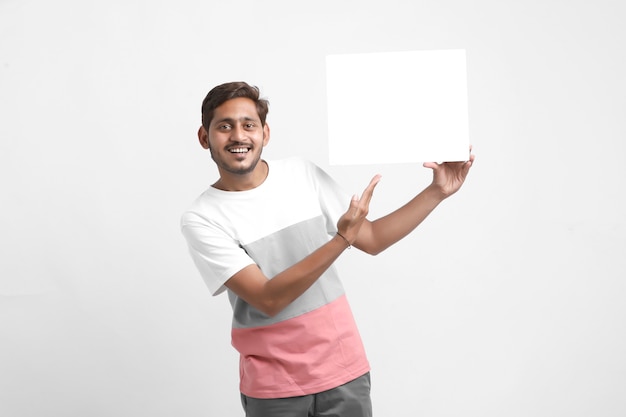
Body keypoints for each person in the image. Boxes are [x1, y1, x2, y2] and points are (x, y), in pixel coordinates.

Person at [181, 81, 474, 417]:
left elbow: (373, 238)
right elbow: (268, 298)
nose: (238, 136)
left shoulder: (302, 174)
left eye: (248, 125)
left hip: (344, 371)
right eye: (224, 126)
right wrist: (340, 240)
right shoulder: (201, 218)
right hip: (274, 388)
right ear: (205, 137)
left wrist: (437, 191)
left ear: (265, 132)